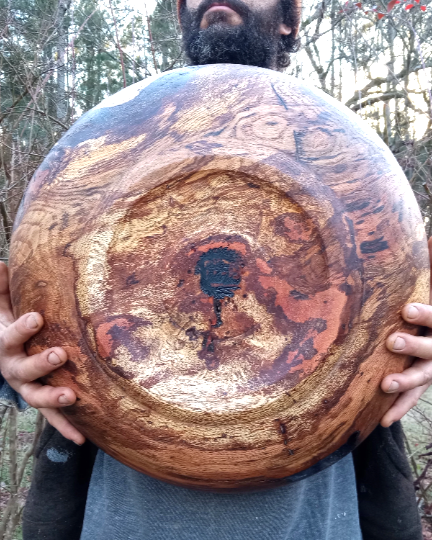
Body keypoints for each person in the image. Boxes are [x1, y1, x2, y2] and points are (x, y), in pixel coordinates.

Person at [0, 0, 431, 538]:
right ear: (179, 15)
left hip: (315, 519)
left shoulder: (347, 160)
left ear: (288, 19)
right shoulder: (111, 148)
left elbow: (411, 301)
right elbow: (29, 310)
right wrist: (10, 359)